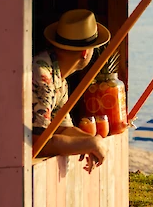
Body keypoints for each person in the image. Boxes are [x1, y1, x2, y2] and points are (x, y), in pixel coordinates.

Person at [32, 9, 111, 173]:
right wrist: (90, 144)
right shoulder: (42, 76)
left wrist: (90, 140)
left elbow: (62, 127)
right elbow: (39, 142)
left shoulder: (59, 79)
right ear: (85, 52)